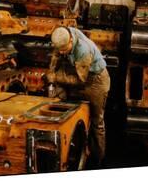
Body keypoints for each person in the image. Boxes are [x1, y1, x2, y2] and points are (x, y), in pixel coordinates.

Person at [46, 26, 110, 167]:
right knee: (65, 103)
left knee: (96, 121)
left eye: (64, 49)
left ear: (70, 40)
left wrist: (55, 77)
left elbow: (81, 80)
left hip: (96, 81)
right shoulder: (63, 33)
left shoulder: (83, 50)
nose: (62, 52)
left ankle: (99, 160)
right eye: (60, 49)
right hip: (80, 73)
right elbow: (56, 54)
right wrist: (51, 71)